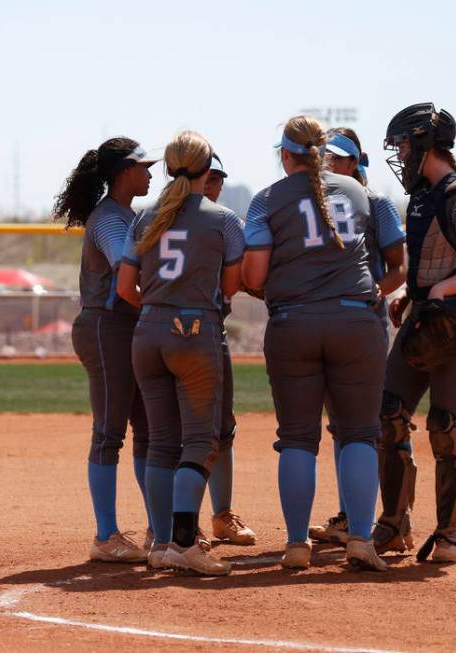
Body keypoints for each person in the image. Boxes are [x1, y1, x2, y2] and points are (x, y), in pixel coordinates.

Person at [242, 115, 387, 571]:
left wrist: (274, 290)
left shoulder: (266, 199)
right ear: (323, 154)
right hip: (357, 322)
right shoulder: (362, 193)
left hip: (294, 323)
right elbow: (391, 260)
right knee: (361, 433)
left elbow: (255, 275)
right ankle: (361, 539)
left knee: (298, 439)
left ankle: (296, 546)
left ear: (285, 155)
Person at [118, 131, 245, 576]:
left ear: (169, 167)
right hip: (196, 332)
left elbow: (123, 287)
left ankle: (161, 542)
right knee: (200, 441)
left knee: (160, 443)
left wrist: (156, 308)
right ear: (207, 169)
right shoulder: (224, 218)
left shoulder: (144, 216)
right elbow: (230, 288)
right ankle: (186, 544)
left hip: (147, 333)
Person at [375, 103, 456, 563]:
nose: (400, 154)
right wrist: (411, 294)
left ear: (426, 143)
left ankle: (450, 535)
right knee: (387, 413)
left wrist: (439, 290)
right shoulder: (424, 195)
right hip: (429, 312)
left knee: (446, 428)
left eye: (404, 144)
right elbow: (429, 262)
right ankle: (394, 525)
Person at [52, 137, 157, 563]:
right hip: (105, 327)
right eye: (143, 167)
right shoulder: (112, 220)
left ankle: (158, 528)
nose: (150, 173)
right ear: (123, 173)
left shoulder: (125, 215)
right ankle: (106, 535)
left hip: (126, 326)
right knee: (110, 433)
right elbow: (124, 277)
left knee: (149, 431)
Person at [308, 128, 407, 546]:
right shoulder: (316, 205)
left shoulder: (375, 204)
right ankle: (353, 517)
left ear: (355, 162)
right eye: (324, 156)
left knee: (370, 426)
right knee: (343, 427)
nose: (329, 163)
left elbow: (398, 267)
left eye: (338, 157)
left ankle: (391, 518)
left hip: (363, 325)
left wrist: (376, 293)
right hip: (333, 324)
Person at [200, 153, 257, 545]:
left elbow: (243, 279)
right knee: (172, 430)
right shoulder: (161, 217)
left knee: (222, 428)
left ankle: (222, 516)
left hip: (211, 332)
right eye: (206, 176)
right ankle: (171, 524)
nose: (212, 184)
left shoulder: (227, 222)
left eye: (217, 177)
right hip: (170, 332)